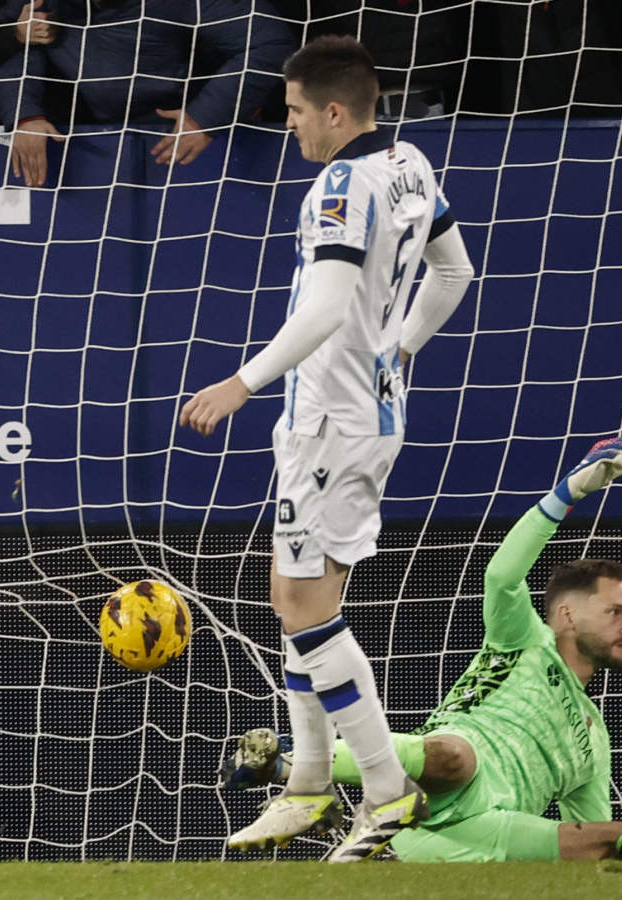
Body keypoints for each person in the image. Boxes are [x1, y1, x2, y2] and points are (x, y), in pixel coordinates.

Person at [219, 436, 622, 863]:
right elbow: (502, 574)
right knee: (455, 756)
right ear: (568, 614)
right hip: (444, 780)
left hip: (478, 831)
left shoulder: (594, 734)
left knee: (610, 837)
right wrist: (568, 492)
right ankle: (287, 764)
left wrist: (617, 843)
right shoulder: (520, 635)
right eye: (616, 611)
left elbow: (591, 827)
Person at [178, 35, 474, 862]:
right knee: (291, 600)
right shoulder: (409, 162)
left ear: (336, 112)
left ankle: (386, 794)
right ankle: (308, 782)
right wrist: (401, 350)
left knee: (308, 611)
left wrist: (241, 383)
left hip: (332, 424)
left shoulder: (340, 183)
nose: (291, 122)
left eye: (298, 109)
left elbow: (325, 311)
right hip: (355, 413)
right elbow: (454, 274)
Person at [0, 0, 295, 186]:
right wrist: (24, 114)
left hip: (205, 142)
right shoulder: (43, 2)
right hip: (96, 143)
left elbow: (270, 42)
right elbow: (12, 44)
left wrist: (205, 117)